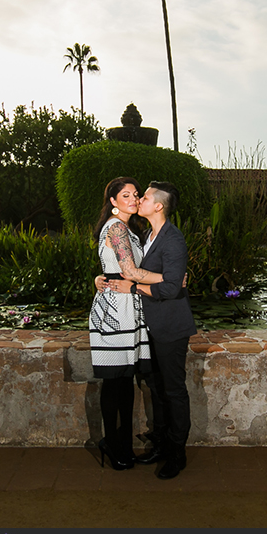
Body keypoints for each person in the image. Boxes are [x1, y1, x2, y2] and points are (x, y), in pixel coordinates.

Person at [104, 181, 197, 480]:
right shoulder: (147, 234)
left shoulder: (173, 238)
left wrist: (136, 286)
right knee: (156, 388)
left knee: (173, 390)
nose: (139, 200)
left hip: (170, 326)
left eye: (144, 197)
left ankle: (177, 453)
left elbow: (170, 287)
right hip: (149, 326)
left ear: (158, 205)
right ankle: (160, 442)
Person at [88, 177, 165, 471]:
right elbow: (129, 270)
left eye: (135, 194)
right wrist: (168, 280)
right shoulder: (116, 227)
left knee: (125, 380)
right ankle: (111, 442)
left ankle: (122, 443)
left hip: (129, 306)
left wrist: (101, 278)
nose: (133, 199)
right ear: (112, 201)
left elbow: (116, 270)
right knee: (113, 381)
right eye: (125, 195)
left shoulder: (131, 229)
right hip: (114, 310)